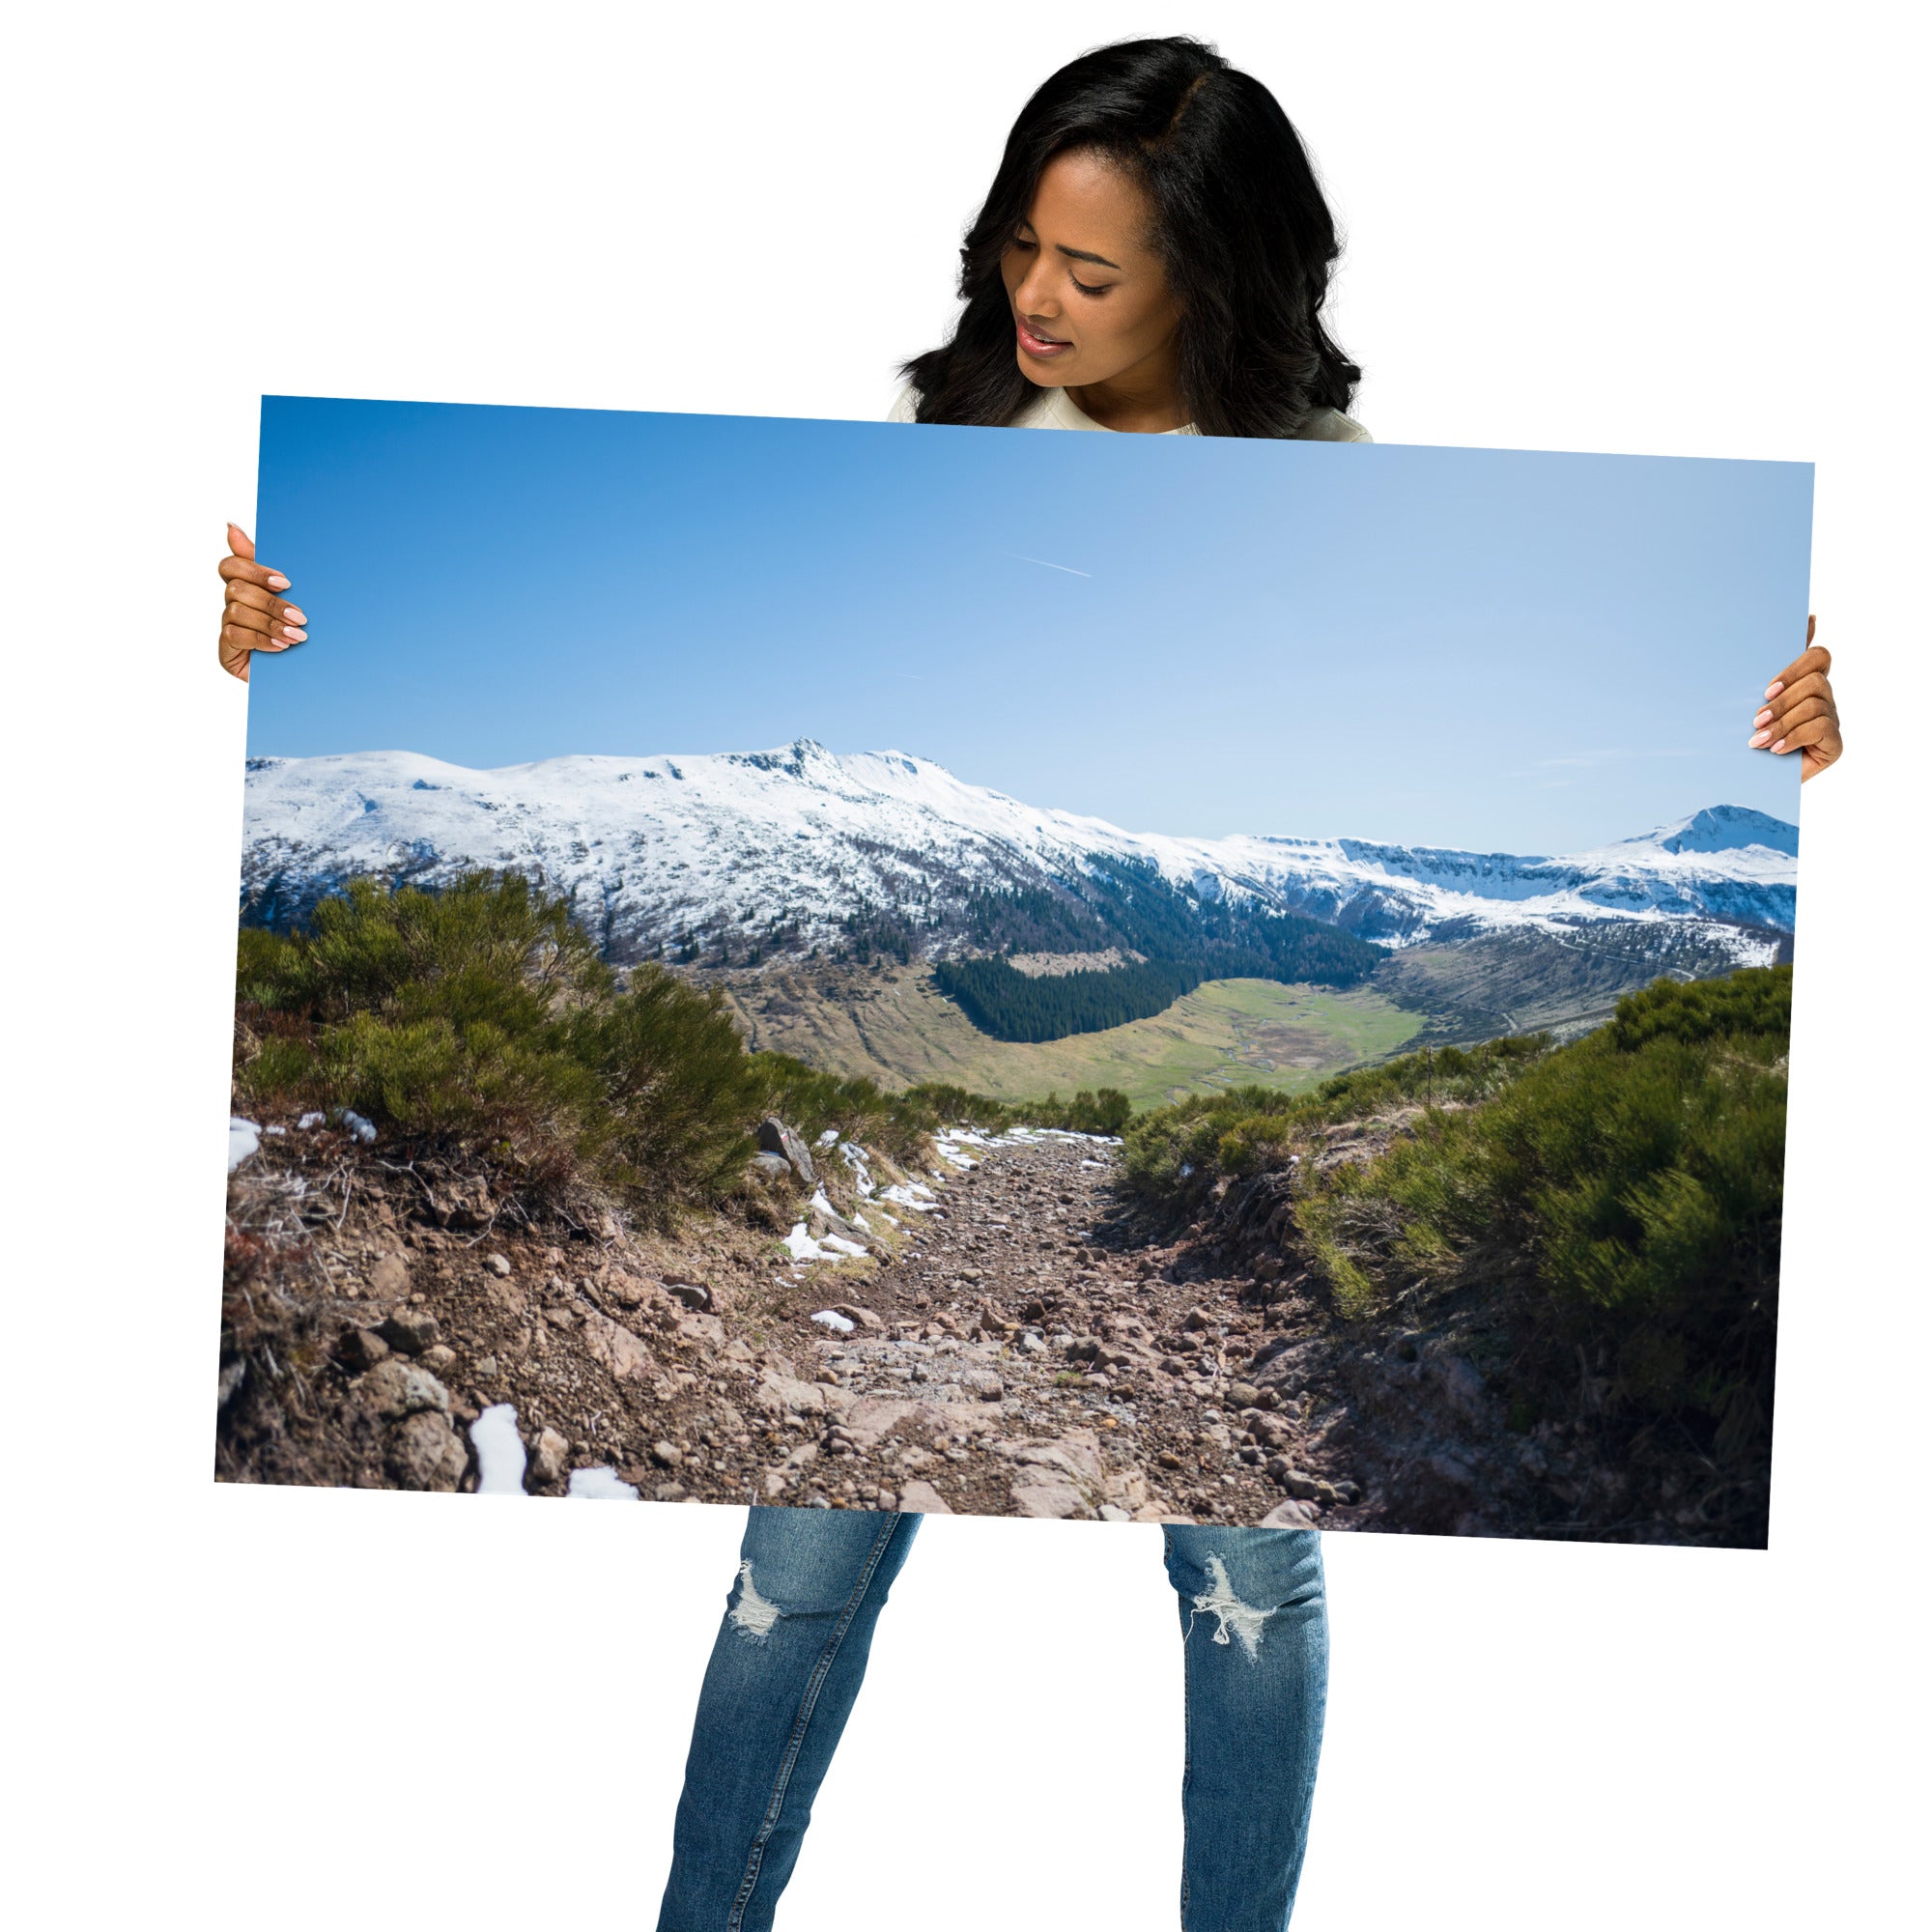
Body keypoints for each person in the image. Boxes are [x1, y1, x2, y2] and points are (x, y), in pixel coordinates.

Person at [212, 38, 1843, 1930]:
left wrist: (1802, 741)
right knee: (798, 1567)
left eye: (1094, 271)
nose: (1036, 302)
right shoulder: (953, 451)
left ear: (1217, 279)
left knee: (1247, 1582)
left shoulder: (1341, 490)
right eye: (1019, 251)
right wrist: (257, 635)